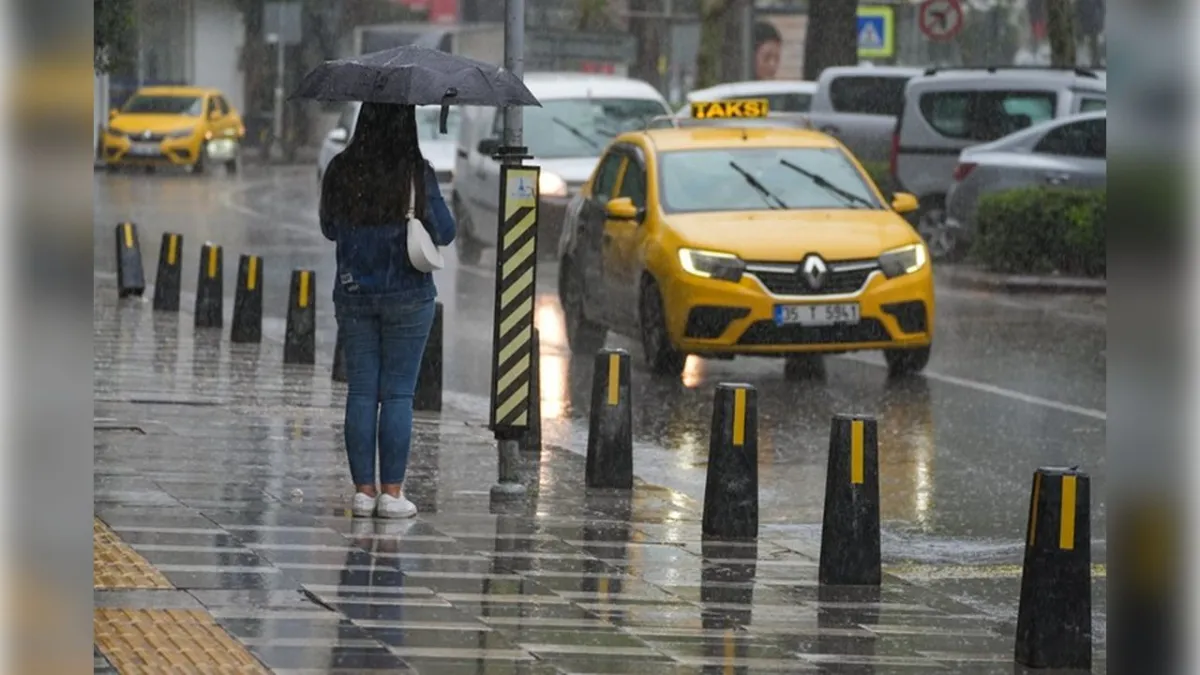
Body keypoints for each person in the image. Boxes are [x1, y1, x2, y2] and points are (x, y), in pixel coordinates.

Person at [319, 102, 455, 519]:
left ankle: (363, 492)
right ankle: (392, 494)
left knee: (361, 391)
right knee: (398, 393)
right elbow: (445, 231)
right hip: (408, 295)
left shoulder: (341, 169)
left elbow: (328, 227)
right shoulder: (415, 170)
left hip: (354, 291)